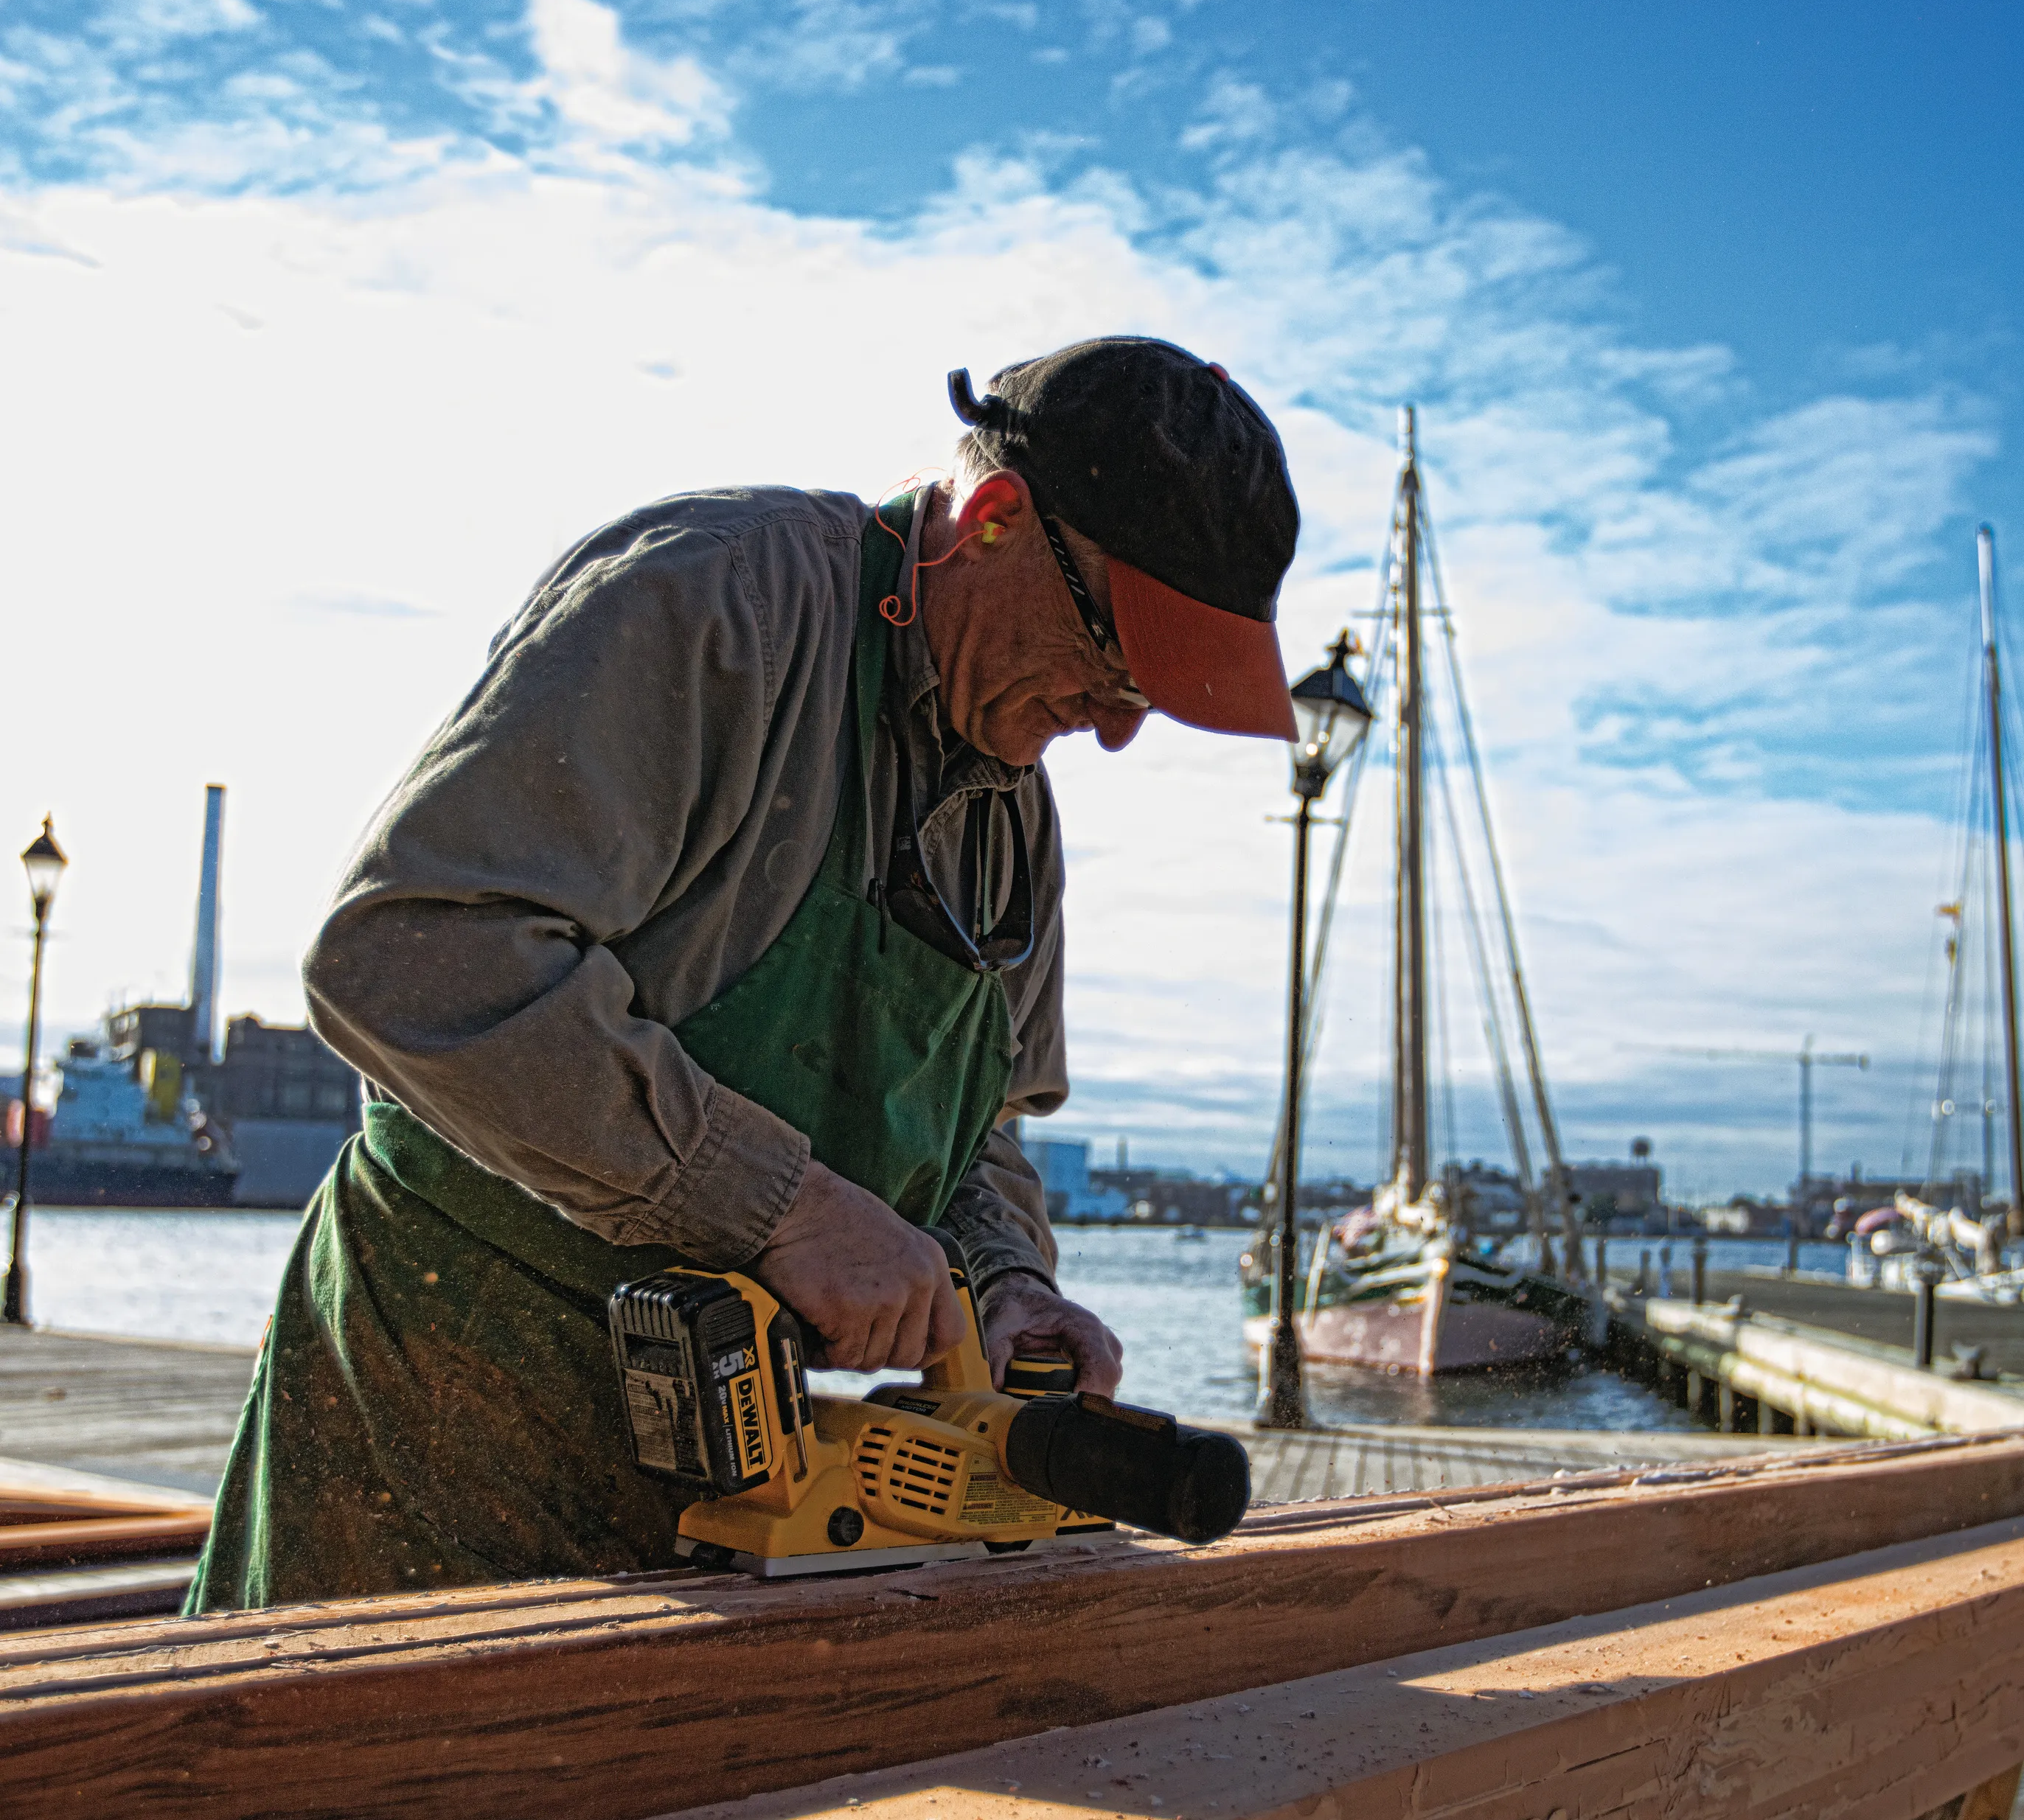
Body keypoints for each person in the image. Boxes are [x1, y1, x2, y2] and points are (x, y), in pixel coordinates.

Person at [185, 336, 1301, 1611]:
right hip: (455, 1395)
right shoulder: (715, 603)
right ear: (994, 522)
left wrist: (1006, 1281)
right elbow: (406, 954)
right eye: (1110, 666)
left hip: (748, 1478)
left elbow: (976, 1126)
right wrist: (785, 1207)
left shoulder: (1013, 811)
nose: (1112, 728)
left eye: (1145, 700)